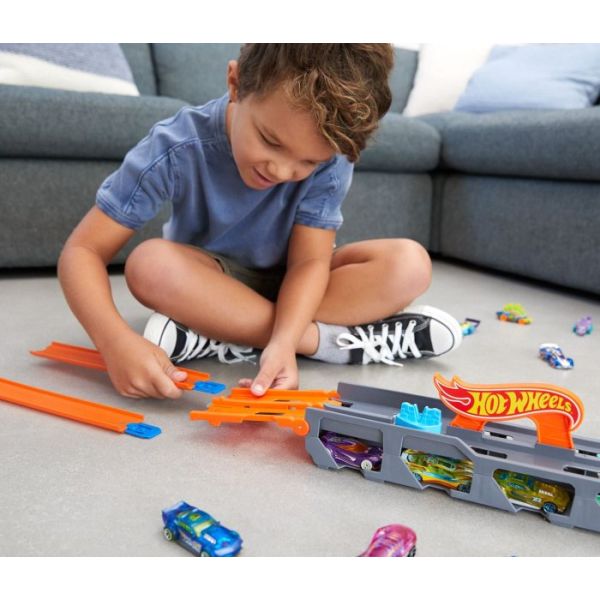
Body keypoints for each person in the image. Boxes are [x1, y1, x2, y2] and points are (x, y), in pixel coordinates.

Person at [58, 43, 462, 401]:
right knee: (149, 265)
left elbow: (309, 263)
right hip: (212, 282)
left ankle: (221, 334)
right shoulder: (175, 146)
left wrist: (285, 342)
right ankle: (330, 342)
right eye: (270, 141)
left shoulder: (332, 154)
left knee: (409, 264)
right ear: (236, 83)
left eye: (309, 162)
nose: (283, 170)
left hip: (298, 284)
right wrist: (114, 342)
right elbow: (83, 250)